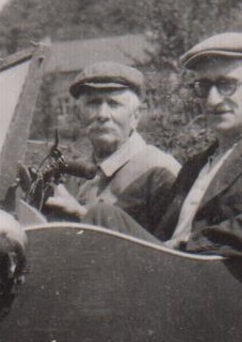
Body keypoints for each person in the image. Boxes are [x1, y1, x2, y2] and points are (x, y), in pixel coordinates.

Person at [88, 32, 242, 275]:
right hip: (173, 277)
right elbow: (158, 235)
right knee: (104, 217)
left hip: (215, 286)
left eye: (227, 85)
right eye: (203, 87)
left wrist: (190, 243)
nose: (212, 100)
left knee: (101, 220)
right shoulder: (196, 166)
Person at [44, 62, 180, 234]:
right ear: (79, 115)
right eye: (93, 103)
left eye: (114, 104)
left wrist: (80, 215)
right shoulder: (78, 173)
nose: (102, 115)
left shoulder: (159, 171)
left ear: (136, 116)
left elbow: (170, 256)